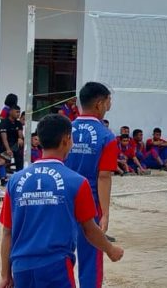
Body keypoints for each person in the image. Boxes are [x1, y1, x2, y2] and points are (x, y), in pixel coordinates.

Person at [0, 114, 123, 288]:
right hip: (56, 267)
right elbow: (90, 230)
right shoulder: (77, 182)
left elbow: (7, 233)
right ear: (66, 140)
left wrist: (5, 275)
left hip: (21, 268)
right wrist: (110, 249)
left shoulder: (15, 181)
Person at [65, 82, 120, 288]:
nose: (110, 104)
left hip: (63, 197)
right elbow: (104, 176)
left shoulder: (66, 129)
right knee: (91, 256)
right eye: (108, 100)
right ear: (99, 104)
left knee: (63, 252)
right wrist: (104, 213)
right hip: (90, 200)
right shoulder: (107, 136)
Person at [0, 105, 24, 171]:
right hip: (3, 145)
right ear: (10, 112)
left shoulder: (18, 123)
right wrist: (8, 149)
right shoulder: (4, 122)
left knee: (20, 151)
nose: (18, 114)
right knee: (10, 153)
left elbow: (20, 135)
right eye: (17, 112)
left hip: (14, 145)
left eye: (19, 112)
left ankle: (20, 172)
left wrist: (20, 138)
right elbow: (4, 138)